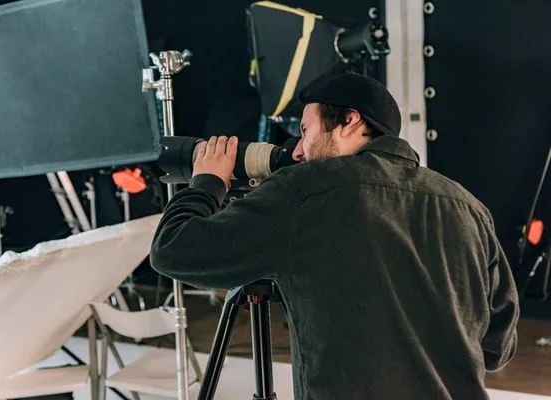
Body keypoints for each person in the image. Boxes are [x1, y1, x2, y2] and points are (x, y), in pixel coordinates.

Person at [150, 73, 519, 399]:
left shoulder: (307, 190)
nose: (296, 150)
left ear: (349, 121)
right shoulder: (468, 206)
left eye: (306, 131)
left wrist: (207, 183)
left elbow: (173, 251)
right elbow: (496, 349)